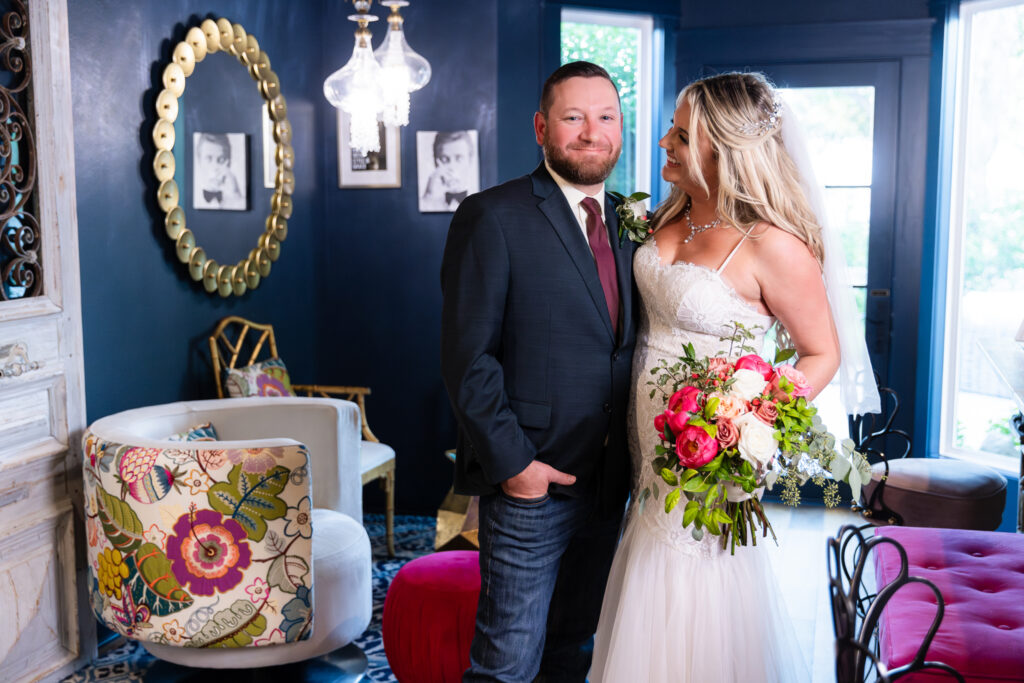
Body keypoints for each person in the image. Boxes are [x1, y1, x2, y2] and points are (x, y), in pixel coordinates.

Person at [590, 71, 877, 681]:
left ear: (725, 148)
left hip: (703, 458)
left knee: (684, 584)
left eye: (682, 133)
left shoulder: (775, 245)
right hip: (641, 447)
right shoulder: (666, 216)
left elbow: (822, 353)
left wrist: (747, 416)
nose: (665, 141)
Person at [440, 61, 638, 682]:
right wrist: (517, 468)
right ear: (540, 127)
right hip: (533, 485)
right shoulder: (492, 216)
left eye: (605, 117)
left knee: (572, 650)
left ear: (620, 129)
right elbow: (467, 359)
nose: (590, 132)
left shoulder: (635, 224)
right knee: (505, 665)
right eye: (572, 117)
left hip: (611, 486)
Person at [421, 131, 477, 211]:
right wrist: (428, 197)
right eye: (444, 159)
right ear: (436, 162)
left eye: (459, 158)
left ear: (470, 160)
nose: (452, 167)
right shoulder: (427, 200)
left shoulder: (482, 200)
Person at [194, 132, 244, 210]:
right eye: (209, 159)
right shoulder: (190, 197)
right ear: (199, 161)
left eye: (221, 159)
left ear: (229, 162)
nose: (215, 167)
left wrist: (236, 195)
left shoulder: (237, 199)